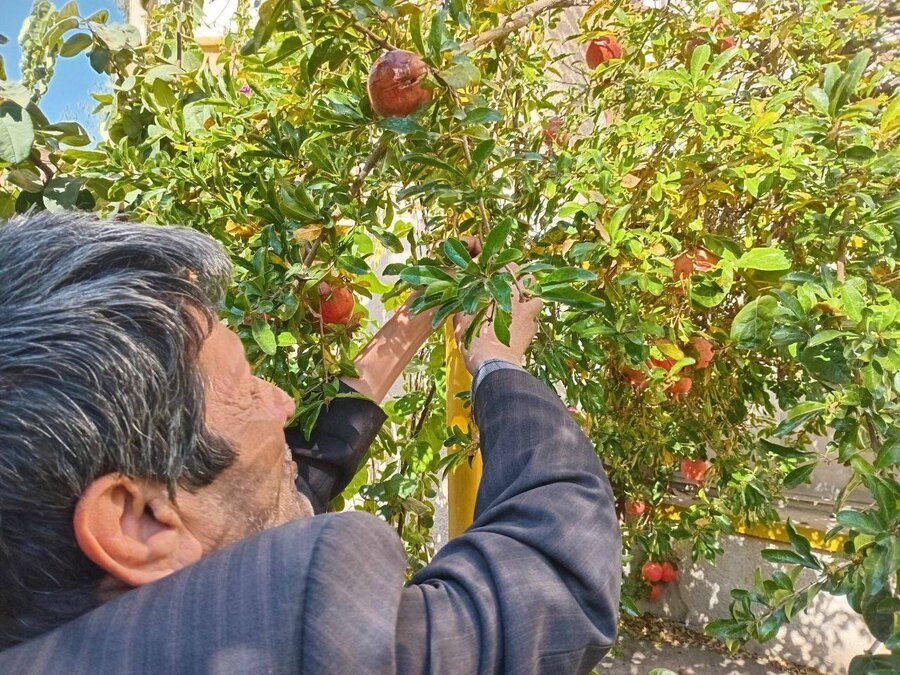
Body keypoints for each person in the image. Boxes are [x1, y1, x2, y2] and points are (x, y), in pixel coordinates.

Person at [0, 213, 621, 674]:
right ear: (136, 519)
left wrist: (420, 309)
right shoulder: (302, 645)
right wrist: (497, 362)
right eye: (246, 392)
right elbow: (552, 581)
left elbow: (298, 479)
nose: (285, 404)